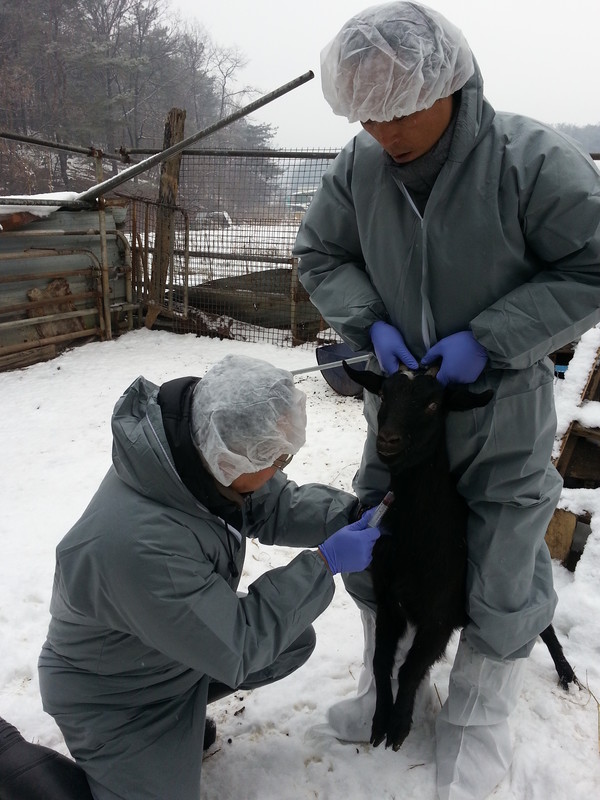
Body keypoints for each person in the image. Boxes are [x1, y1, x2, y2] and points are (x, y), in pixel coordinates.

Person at [293, 3, 600, 799]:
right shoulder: (359, 169)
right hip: (401, 416)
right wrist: (368, 323)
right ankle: (384, 685)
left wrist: (494, 337)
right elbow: (319, 251)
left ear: (448, 83)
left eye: (397, 110)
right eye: (364, 113)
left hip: (500, 408)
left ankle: (475, 720)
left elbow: (593, 265)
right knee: (380, 536)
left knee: (502, 562)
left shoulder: (527, 160)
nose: (381, 131)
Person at [36, 353, 382, 800]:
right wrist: (324, 564)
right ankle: (19, 764)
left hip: (162, 658)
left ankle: (185, 711)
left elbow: (271, 503)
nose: (281, 467)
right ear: (230, 455)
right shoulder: (140, 547)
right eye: (275, 460)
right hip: (116, 699)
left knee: (291, 638)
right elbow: (239, 646)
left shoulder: (195, 459)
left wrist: (348, 515)